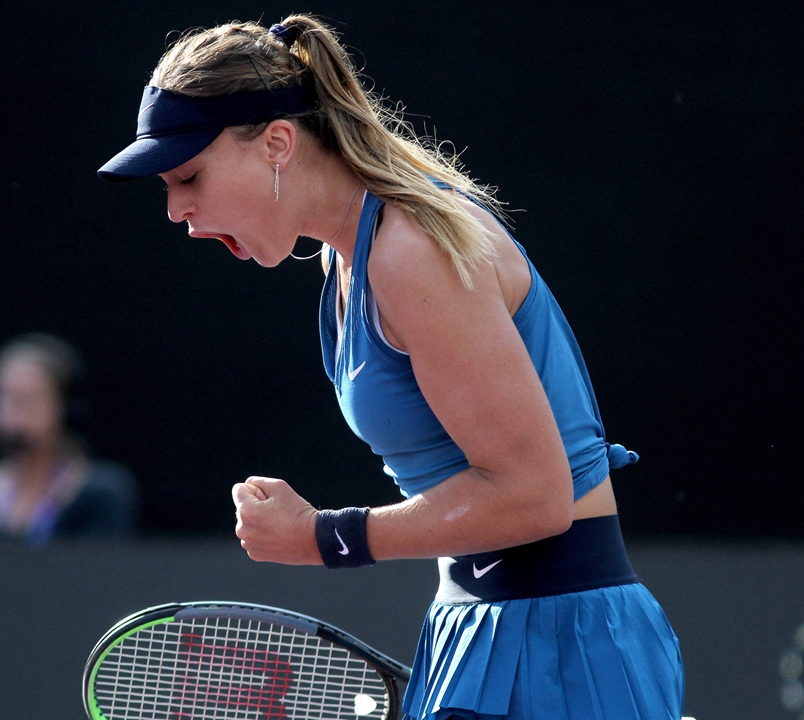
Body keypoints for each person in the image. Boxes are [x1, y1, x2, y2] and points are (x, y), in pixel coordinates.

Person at [98, 14, 683, 720]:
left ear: (278, 143)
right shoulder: (349, 264)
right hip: (482, 626)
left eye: (188, 174)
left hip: (564, 643)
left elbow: (535, 495)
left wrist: (325, 537)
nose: (176, 211)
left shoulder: (409, 253)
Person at [0, 333, 138, 546]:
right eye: (3, 397)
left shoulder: (102, 493)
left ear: (64, 406)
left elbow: (87, 572)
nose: (14, 413)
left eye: (29, 399)